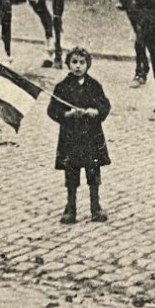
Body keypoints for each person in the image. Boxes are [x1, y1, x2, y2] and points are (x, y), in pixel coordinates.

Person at [47, 46, 111, 224]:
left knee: (93, 173)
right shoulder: (62, 87)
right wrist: (66, 115)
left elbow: (105, 106)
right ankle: (71, 208)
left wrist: (95, 112)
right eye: (74, 62)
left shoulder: (94, 86)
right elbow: (52, 110)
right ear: (68, 64)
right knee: (71, 174)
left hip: (91, 137)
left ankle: (95, 207)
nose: (78, 66)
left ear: (87, 65)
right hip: (71, 138)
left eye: (82, 63)